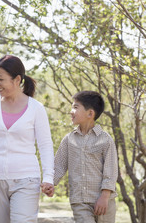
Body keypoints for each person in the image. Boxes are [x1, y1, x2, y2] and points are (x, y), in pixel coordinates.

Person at [0, 55, 55, 223]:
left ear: (17, 79)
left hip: (27, 178)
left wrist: (48, 178)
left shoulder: (36, 108)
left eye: (1, 79)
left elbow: (45, 145)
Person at [53, 91, 118, 223]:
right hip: (80, 202)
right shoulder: (68, 140)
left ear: (90, 113)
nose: (71, 111)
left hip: (105, 201)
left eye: (75, 107)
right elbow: (58, 166)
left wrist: (105, 197)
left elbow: (110, 170)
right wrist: (50, 183)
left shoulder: (105, 139)